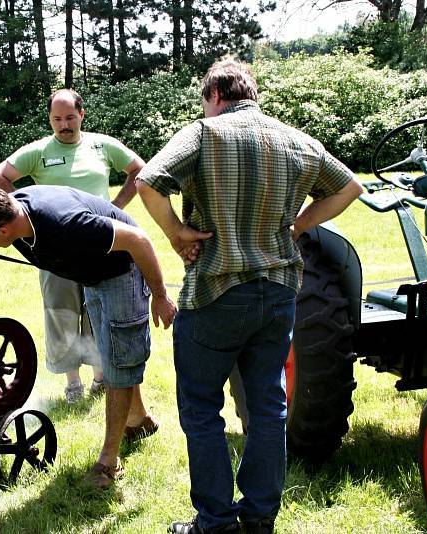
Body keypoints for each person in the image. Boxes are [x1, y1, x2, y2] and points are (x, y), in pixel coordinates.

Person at [136, 57, 363, 534]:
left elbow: (148, 181)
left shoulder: (203, 132)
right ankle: (259, 518)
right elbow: (349, 188)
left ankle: (215, 522)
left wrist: (177, 231)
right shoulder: (296, 139)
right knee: (268, 407)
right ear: (251, 94)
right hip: (280, 292)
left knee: (201, 408)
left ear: (214, 96)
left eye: (205, 102)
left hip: (217, 290)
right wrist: (298, 225)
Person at [0, 184, 175, 487]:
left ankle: (108, 464)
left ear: (4, 232)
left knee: (119, 363)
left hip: (121, 270)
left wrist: (160, 295)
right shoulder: (12, 211)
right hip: (92, 274)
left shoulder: (64, 224)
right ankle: (138, 421)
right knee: (113, 351)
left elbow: (137, 239)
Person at [0, 88, 145, 404]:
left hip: (98, 245)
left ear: (81, 114)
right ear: (50, 119)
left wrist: (117, 206)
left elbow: (139, 170)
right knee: (61, 312)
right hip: (53, 250)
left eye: (70, 117)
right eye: (57, 119)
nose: (64, 125)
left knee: (98, 310)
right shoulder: (38, 151)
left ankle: (101, 377)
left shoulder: (102, 145)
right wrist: (19, 213)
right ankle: (73, 382)